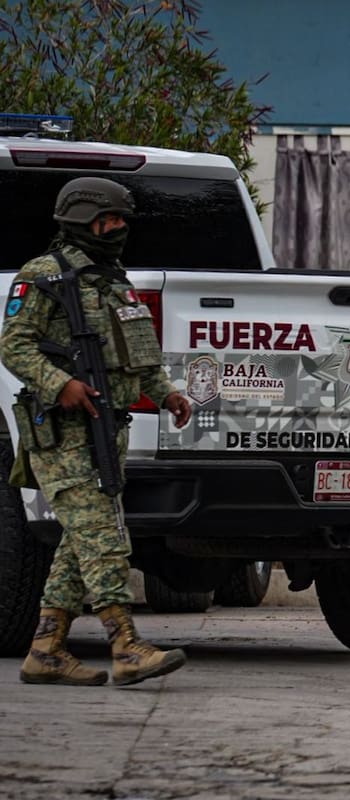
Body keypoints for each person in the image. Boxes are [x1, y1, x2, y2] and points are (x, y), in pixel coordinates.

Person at [2, 177, 192, 687]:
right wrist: (59, 383)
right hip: (62, 434)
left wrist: (168, 392)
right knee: (105, 538)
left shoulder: (114, 281)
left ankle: (45, 649)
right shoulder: (42, 277)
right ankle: (125, 644)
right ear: (82, 219)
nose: (119, 229)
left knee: (80, 540)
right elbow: (14, 345)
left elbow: (140, 355)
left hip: (109, 430)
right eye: (110, 220)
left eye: (121, 220)